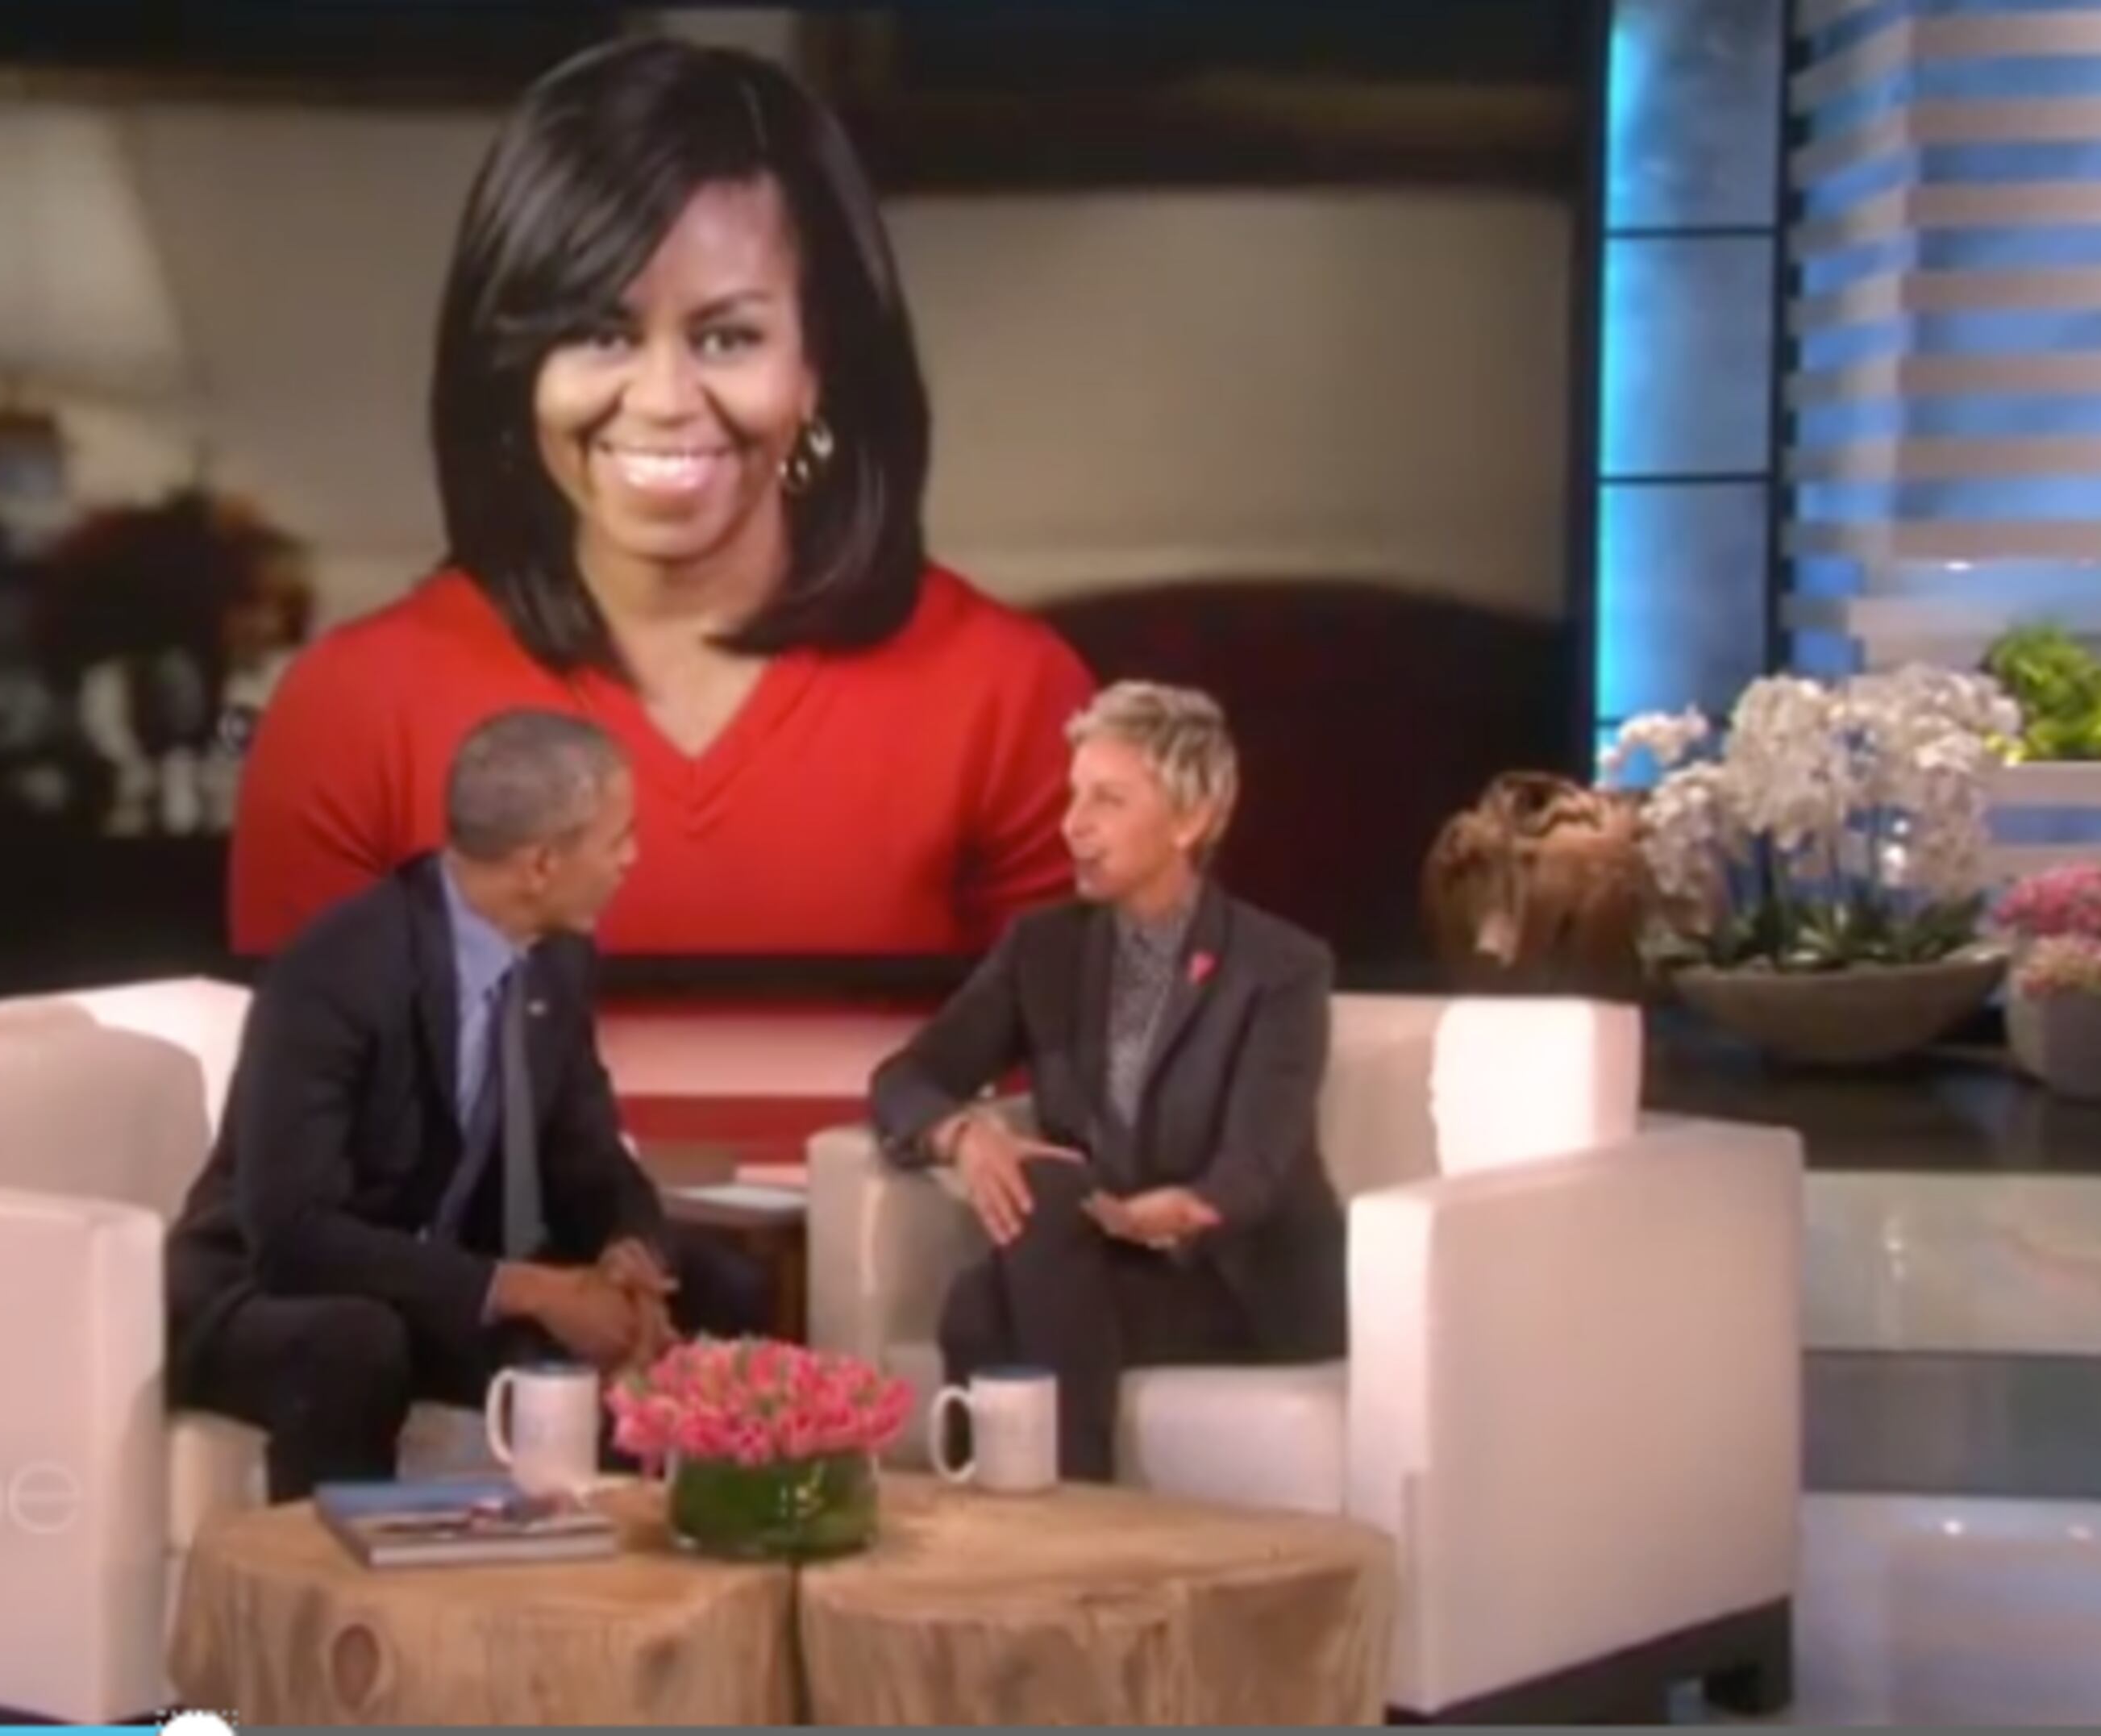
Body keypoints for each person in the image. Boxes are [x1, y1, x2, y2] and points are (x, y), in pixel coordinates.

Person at [227, 37, 1095, 960]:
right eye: (601, 333)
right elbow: (308, 1054)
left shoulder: (1013, 703)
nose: (664, 399)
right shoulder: (350, 715)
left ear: (819, 365)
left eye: (726, 338)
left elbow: (1078, 1052)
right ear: (513, 366)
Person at [168, 709, 775, 1499]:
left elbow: (590, 1157)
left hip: (437, 1277)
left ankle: (649, 1546)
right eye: (618, 838)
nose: (632, 858)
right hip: (267, 1290)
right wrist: (533, 1288)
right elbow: (294, 1234)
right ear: (541, 863)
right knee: (360, 1340)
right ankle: (337, 1570)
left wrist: (632, 1257)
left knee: (719, 1283)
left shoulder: (558, 957)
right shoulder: (340, 969)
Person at [867, 682, 1346, 1484]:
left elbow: (1259, 1160)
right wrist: (963, 1133)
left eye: (1108, 800)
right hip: (1100, 1254)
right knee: (990, 1283)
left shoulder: (1280, 968)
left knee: (990, 1296)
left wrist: (1187, 1207)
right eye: (1074, 795)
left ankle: (1055, 1515)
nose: (1073, 825)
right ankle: (1057, 1515)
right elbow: (908, 1076)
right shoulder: (1044, 950)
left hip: (1231, 1278)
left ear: (1191, 819)